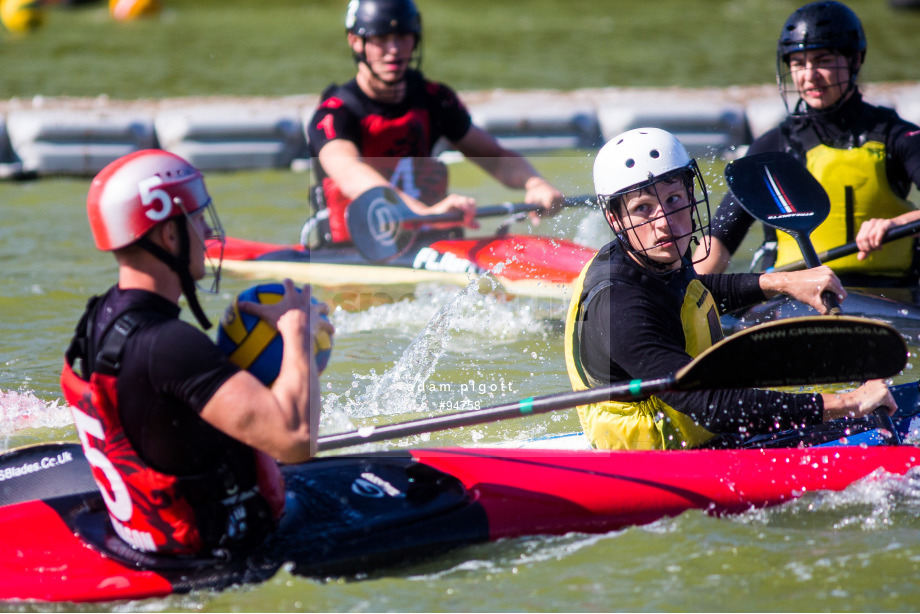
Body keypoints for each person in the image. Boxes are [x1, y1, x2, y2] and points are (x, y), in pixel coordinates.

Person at [61, 149, 333, 556]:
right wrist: (296, 330)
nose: (206, 231)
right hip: (219, 555)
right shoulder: (171, 345)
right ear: (169, 235)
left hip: (139, 537)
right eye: (196, 219)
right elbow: (295, 442)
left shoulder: (99, 317)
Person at [564, 127, 896, 451]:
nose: (664, 220)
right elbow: (711, 405)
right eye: (643, 208)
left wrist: (783, 283)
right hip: (661, 461)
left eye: (674, 198)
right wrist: (846, 404)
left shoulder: (652, 260)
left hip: (703, 435)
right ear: (615, 218)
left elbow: (694, 293)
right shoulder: (619, 306)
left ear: (692, 198)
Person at [305, 0, 565, 247]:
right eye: (381, 39)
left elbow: (495, 157)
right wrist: (422, 212)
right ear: (356, 42)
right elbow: (350, 173)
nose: (394, 49)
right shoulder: (334, 114)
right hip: (356, 250)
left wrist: (535, 183)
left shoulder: (434, 99)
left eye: (403, 36)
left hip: (431, 241)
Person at [694, 1, 920, 284]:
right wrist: (684, 295)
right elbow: (719, 242)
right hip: (795, 299)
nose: (809, 76)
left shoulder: (898, 136)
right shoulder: (773, 146)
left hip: (892, 296)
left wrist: (898, 223)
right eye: (799, 64)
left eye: (823, 61)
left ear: (855, 60)